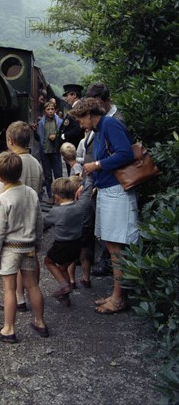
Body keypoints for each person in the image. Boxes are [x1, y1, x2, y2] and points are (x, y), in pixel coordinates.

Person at [70, 97, 139, 314]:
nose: (80, 123)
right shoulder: (99, 130)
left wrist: (97, 164)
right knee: (111, 244)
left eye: (81, 118)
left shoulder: (109, 124)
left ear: (90, 114)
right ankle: (117, 294)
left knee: (116, 247)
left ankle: (119, 299)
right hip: (109, 190)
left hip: (118, 193)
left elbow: (126, 153)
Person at [0, 151, 48, 343]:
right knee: (33, 285)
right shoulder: (31, 193)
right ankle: (40, 322)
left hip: (10, 250)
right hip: (29, 247)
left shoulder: (3, 198)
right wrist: (37, 243)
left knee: (9, 290)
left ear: (0, 177)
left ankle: (8, 330)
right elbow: (39, 221)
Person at [0, 121, 44, 313]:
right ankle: (33, 311)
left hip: (13, 224)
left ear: (10, 140)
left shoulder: (10, 163)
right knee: (30, 265)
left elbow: (0, 196)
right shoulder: (36, 163)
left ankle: (18, 299)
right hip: (31, 220)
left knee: (12, 266)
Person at [84, 82, 126, 277]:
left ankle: (108, 267)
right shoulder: (101, 123)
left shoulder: (113, 121)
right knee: (107, 235)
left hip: (114, 184)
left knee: (113, 239)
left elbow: (123, 153)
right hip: (102, 182)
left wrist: (97, 166)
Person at [43, 177, 94, 307]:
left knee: (48, 261)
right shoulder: (79, 207)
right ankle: (65, 297)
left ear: (57, 196)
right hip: (76, 244)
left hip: (61, 245)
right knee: (63, 267)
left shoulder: (56, 211)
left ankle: (64, 285)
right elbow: (87, 193)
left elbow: (45, 223)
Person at [36, 102, 63, 202]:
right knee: (47, 176)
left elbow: (63, 136)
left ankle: (59, 195)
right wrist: (34, 131)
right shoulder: (41, 123)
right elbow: (38, 138)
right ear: (45, 111)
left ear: (55, 110)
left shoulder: (59, 122)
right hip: (45, 152)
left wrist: (56, 137)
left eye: (52, 109)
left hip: (55, 151)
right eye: (48, 109)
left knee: (58, 175)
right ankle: (50, 195)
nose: (50, 111)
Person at [56, 83, 85, 151]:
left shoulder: (78, 108)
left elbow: (78, 129)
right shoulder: (76, 107)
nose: (66, 98)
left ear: (74, 95)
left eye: (67, 95)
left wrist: (64, 136)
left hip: (73, 146)